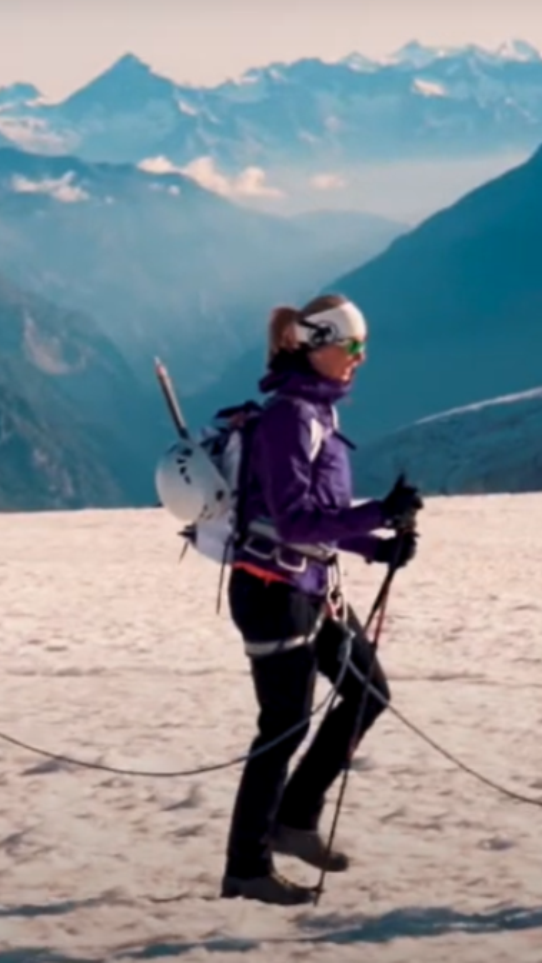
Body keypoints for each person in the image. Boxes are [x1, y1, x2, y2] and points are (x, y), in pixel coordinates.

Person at [218, 294, 424, 906]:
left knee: (367, 691)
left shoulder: (315, 412)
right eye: (352, 346)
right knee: (282, 728)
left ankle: (295, 819)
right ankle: (245, 868)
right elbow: (297, 517)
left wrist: (373, 545)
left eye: (363, 348)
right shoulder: (290, 418)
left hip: (308, 584)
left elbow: (318, 519)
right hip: (273, 591)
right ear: (317, 343)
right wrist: (379, 515)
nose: (360, 359)